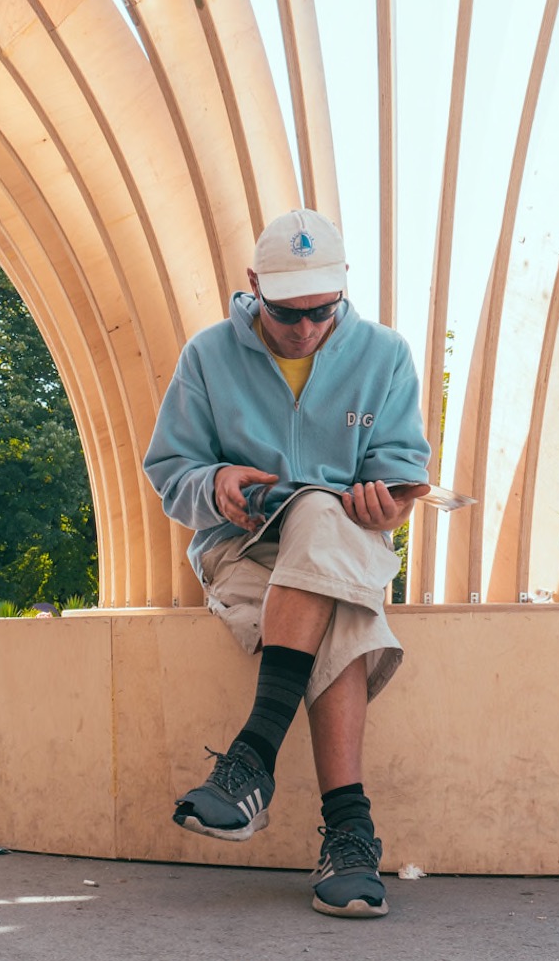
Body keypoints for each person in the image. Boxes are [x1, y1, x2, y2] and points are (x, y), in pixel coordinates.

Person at [142, 209, 431, 918]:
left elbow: (401, 472)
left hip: (345, 537)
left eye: (321, 312)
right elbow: (169, 467)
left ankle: (251, 759)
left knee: (319, 515)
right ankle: (350, 836)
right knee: (344, 618)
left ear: (342, 291)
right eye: (285, 313)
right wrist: (212, 483)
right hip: (241, 547)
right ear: (252, 287)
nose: (304, 328)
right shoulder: (207, 356)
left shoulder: (385, 354)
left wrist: (386, 505)